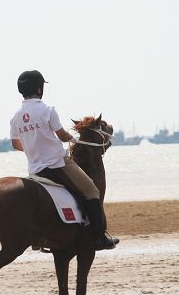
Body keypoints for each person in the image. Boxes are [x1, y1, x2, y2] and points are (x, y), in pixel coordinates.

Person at [10, 70, 118, 250]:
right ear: (39, 88)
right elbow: (61, 135)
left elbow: (15, 144)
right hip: (57, 163)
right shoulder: (47, 110)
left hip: (35, 169)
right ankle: (99, 238)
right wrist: (71, 138)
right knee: (92, 191)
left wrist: (31, 147)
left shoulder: (16, 117)